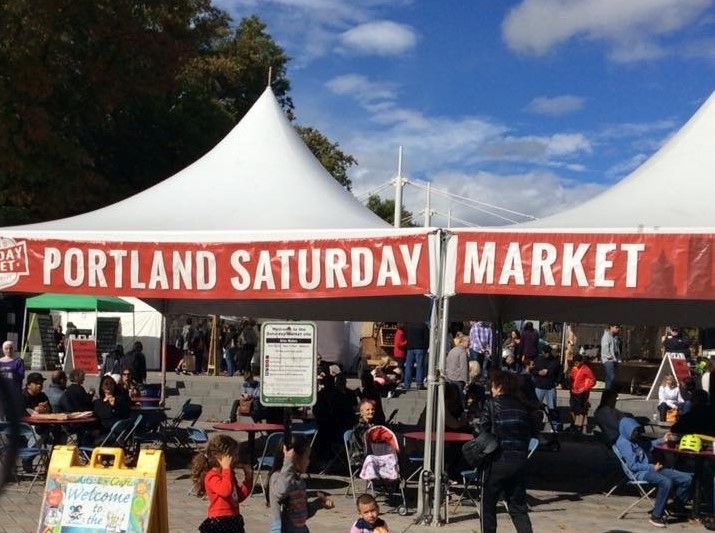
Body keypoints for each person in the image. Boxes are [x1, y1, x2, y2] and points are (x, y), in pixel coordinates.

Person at [479, 371, 535, 533]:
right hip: (519, 462)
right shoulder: (523, 406)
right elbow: (531, 433)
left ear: (499, 387)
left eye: (493, 386)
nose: (492, 390)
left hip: (497, 461)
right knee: (518, 508)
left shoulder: (491, 404)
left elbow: (483, 430)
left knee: (488, 507)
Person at [615, 417, 692, 528]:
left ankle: (677, 506)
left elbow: (648, 445)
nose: (636, 433)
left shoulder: (634, 440)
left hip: (653, 468)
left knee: (686, 479)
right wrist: (652, 468)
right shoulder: (624, 443)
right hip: (641, 472)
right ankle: (656, 516)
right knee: (666, 482)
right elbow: (633, 466)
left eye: (636, 430)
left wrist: (663, 439)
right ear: (626, 430)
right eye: (634, 431)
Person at [269, 434, 334, 533]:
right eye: (306, 457)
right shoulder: (277, 478)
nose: (309, 461)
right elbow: (281, 492)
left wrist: (319, 503)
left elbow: (303, 513)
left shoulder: (299, 481)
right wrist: (288, 463)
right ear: (294, 458)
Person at [191, 434, 252, 533]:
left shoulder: (228, 474)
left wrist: (248, 480)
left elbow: (238, 497)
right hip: (220, 522)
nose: (236, 458)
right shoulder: (212, 476)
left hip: (233, 519)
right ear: (221, 457)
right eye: (233, 455)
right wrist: (226, 469)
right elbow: (225, 491)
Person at [531, 345, 560, 432]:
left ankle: (554, 426)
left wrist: (557, 382)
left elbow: (559, 372)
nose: (546, 354)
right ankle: (534, 425)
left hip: (550, 386)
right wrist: (538, 372)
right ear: (542, 352)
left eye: (548, 353)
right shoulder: (538, 359)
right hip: (539, 386)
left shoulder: (555, 361)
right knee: (535, 406)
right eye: (545, 353)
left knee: (552, 407)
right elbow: (532, 370)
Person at [569, 354, 596, 434]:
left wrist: (585, 388)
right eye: (574, 362)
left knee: (581, 410)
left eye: (577, 362)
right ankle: (574, 424)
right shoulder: (573, 368)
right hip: (574, 391)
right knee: (572, 409)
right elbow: (572, 378)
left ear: (581, 362)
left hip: (582, 392)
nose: (575, 364)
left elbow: (593, 380)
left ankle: (579, 426)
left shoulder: (586, 369)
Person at [445, 332, 469, 407]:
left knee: (452, 396)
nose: (470, 343)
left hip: (450, 376)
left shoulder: (453, 350)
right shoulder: (462, 352)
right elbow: (463, 367)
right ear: (463, 342)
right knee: (459, 397)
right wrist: (466, 381)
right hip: (458, 378)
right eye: (468, 341)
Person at [403, 321, 429, 390]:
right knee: (420, 366)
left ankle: (407, 384)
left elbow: (405, 335)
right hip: (420, 347)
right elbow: (427, 337)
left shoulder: (408, 325)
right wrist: (426, 347)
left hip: (410, 347)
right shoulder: (423, 325)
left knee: (408, 366)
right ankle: (419, 384)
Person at [349, 400, 377, 464]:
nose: (371, 411)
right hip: (361, 456)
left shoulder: (373, 424)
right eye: (368, 410)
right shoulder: (359, 428)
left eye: (372, 409)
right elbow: (360, 446)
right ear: (361, 412)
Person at [600, 324, 621, 391]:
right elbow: (605, 348)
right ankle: (609, 392)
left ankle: (609, 392)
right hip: (608, 360)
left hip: (614, 359)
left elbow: (616, 349)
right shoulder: (606, 336)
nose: (618, 329)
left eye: (619, 327)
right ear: (611, 327)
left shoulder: (615, 337)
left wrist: (618, 358)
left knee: (611, 377)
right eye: (616, 327)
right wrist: (610, 357)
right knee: (611, 377)